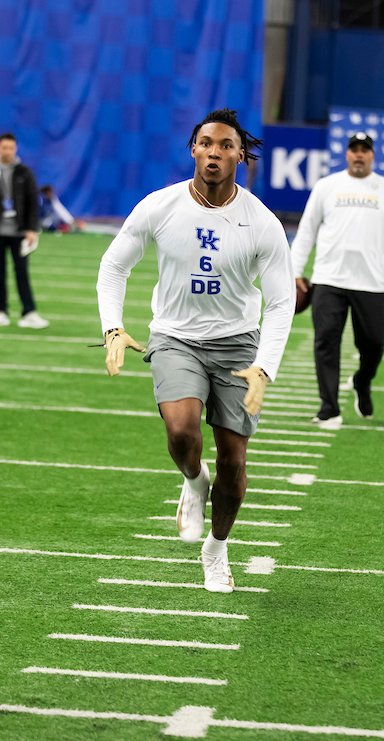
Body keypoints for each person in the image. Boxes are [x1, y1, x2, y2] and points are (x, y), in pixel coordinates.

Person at [97, 107, 292, 593]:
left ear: (240, 155)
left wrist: (264, 367)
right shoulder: (159, 206)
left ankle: (217, 548)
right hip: (175, 338)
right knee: (183, 432)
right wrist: (112, 328)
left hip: (237, 345)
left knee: (235, 463)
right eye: (206, 142)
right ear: (193, 149)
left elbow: (282, 299)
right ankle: (191, 480)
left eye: (226, 145)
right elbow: (113, 266)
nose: (215, 151)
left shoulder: (262, 223)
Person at [291, 131, 384, 429]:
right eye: (354, 149)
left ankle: (361, 381)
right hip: (328, 278)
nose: (359, 154)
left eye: (365, 150)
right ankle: (329, 409)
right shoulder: (326, 186)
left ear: (372, 155)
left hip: (372, 282)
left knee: (374, 343)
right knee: (326, 342)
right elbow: (306, 231)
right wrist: (294, 270)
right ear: (346, 154)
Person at [0, 132, 48, 328]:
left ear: (15, 149)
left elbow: (33, 203)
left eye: (10, 148)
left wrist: (32, 229)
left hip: (19, 232)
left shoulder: (25, 172)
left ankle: (29, 312)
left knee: (22, 273)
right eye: (3, 147)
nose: (7, 151)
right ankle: (0, 311)